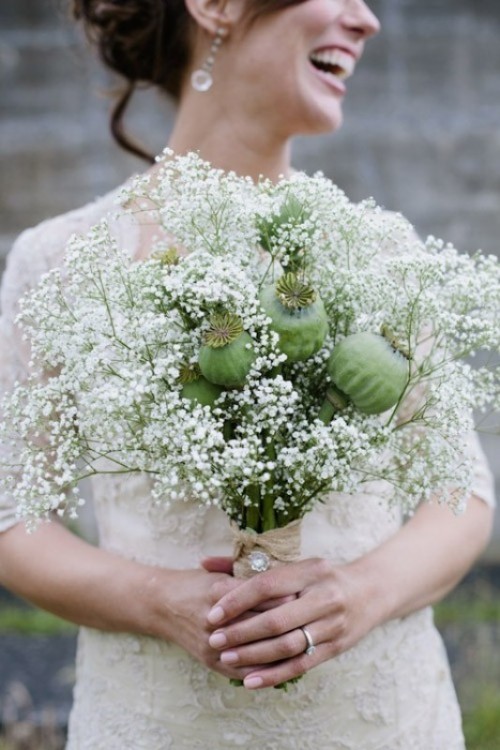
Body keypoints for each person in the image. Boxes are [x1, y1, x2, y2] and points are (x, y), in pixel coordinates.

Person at [0, 1, 496, 748]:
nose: (367, 20)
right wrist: (159, 600)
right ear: (217, 6)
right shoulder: (60, 263)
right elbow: (16, 523)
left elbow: (462, 498)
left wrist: (357, 595)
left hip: (385, 720)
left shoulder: (385, 251)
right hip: (158, 721)